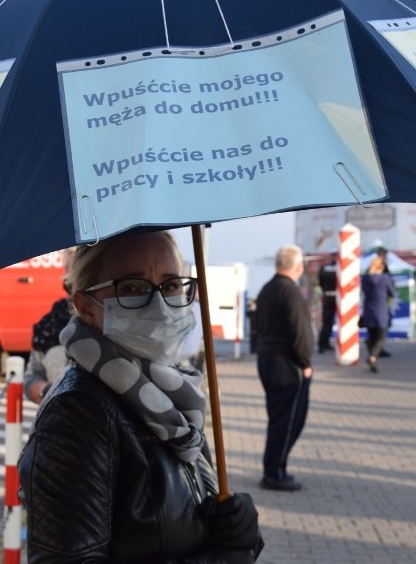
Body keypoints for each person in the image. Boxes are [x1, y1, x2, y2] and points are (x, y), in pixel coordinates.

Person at [18, 231, 263, 562]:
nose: (159, 303)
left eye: (172, 284)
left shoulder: (175, 393)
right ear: (85, 307)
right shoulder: (77, 413)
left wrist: (238, 530)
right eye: (133, 287)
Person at [255, 244, 313, 492]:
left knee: (278, 418)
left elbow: (258, 325)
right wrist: (306, 362)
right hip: (286, 363)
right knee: (289, 420)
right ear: (298, 267)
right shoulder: (290, 291)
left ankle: (275, 467)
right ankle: (274, 472)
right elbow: (300, 331)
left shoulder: (267, 288)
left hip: (266, 359)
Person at [24, 248, 76, 404]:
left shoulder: (111, 322)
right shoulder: (51, 324)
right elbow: (31, 378)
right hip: (57, 421)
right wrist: (47, 391)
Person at [360, 255, 396, 372]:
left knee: (371, 336)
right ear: (382, 266)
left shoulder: (365, 278)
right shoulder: (385, 278)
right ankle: (373, 356)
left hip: (368, 310)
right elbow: (392, 293)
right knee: (381, 338)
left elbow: (364, 291)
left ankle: (372, 358)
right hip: (381, 310)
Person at [317, 254, 338, 353]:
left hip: (327, 296)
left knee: (327, 322)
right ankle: (324, 344)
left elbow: (320, 281)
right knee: (331, 322)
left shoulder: (324, 268)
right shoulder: (341, 267)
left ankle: (323, 344)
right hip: (339, 297)